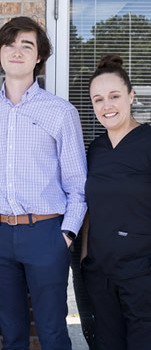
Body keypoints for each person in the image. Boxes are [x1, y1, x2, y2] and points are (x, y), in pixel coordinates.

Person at [0, 16, 87, 350]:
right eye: (10, 44)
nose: (17, 51)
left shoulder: (60, 112)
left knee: (52, 331)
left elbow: (77, 182)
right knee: (11, 332)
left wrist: (66, 235)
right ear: (0, 53)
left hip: (45, 233)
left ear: (39, 56)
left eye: (27, 45)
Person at [81, 54, 151, 350]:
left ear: (131, 96)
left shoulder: (147, 141)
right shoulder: (95, 149)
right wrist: (85, 257)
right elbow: (89, 208)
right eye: (98, 100)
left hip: (143, 273)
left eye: (114, 96)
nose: (106, 106)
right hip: (101, 272)